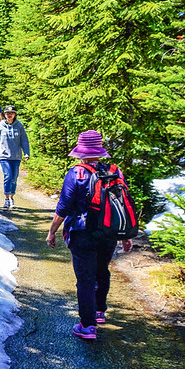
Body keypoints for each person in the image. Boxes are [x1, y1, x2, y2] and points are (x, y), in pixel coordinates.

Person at [46, 130, 134, 340]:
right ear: (100, 151)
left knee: (85, 278)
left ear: (81, 152)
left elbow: (64, 207)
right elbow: (121, 203)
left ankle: (87, 326)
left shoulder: (76, 173)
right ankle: (99, 311)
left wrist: (52, 232)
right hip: (109, 231)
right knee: (102, 270)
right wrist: (125, 234)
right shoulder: (115, 171)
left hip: (82, 232)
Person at [0, 105, 29, 209]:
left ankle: (11, 197)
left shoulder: (19, 126)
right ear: (4, 114)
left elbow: (24, 140)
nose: (9, 115)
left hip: (16, 156)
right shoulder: (0, 126)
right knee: (8, 175)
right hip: (4, 156)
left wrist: (26, 153)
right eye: (7, 113)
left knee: (14, 178)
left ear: (15, 114)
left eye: (11, 113)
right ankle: (7, 198)